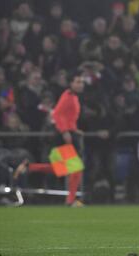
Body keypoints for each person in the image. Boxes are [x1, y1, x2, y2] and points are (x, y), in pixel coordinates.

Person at [51, 71, 85, 206]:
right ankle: (70, 199)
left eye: (81, 82)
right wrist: (65, 131)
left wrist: (74, 129)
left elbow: (68, 116)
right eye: (77, 82)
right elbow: (57, 114)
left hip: (70, 134)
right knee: (74, 169)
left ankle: (70, 199)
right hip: (65, 137)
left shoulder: (73, 97)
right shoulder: (68, 96)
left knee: (70, 169)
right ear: (70, 83)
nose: (80, 84)